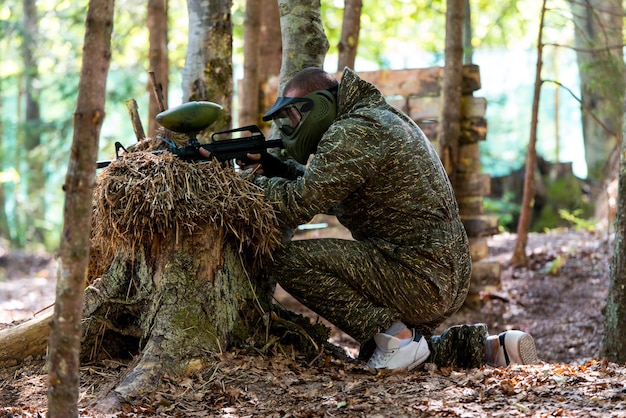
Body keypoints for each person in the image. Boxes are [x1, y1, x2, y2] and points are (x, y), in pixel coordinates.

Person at [208, 66, 537, 370]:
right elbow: (329, 186)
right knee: (381, 350)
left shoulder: (354, 131)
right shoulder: (375, 119)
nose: (288, 128)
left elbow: (298, 203)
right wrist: (282, 169)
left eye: (292, 116)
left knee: (282, 258)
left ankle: (397, 338)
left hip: (417, 274)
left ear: (319, 106)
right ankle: (488, 349)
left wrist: (239, 183)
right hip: (437, 271)